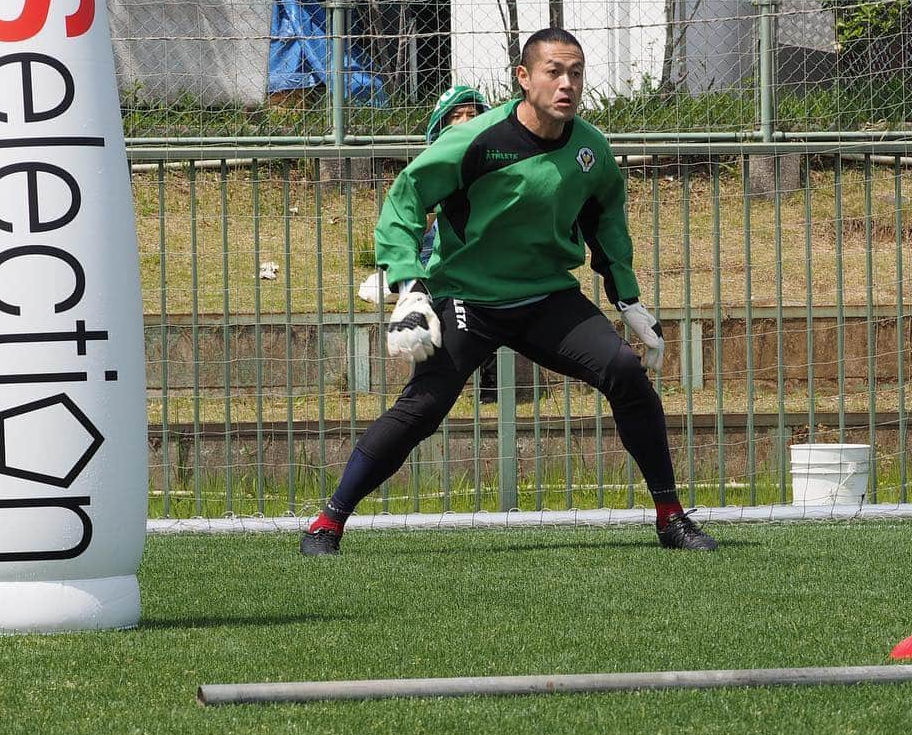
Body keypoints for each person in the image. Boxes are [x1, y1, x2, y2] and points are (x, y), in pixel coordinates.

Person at [302, 28, 716, 556]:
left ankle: (671, 519)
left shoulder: (592, 149)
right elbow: (404, 199)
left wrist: (629, 301)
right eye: (553, 71)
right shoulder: (475, 138)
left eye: (576, 73)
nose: (566, 84)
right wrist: (409, 288)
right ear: (523, 78)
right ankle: (327, 524)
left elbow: (607, 220)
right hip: (467, 298)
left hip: (546, 298)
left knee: (626, 372)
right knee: (422, 409)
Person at [358, 85, 498, 402]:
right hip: (443, 268)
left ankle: (491, 389)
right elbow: (409, 211)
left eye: (472, 116)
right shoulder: (435, 168)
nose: (465, 122)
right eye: (456, 117)